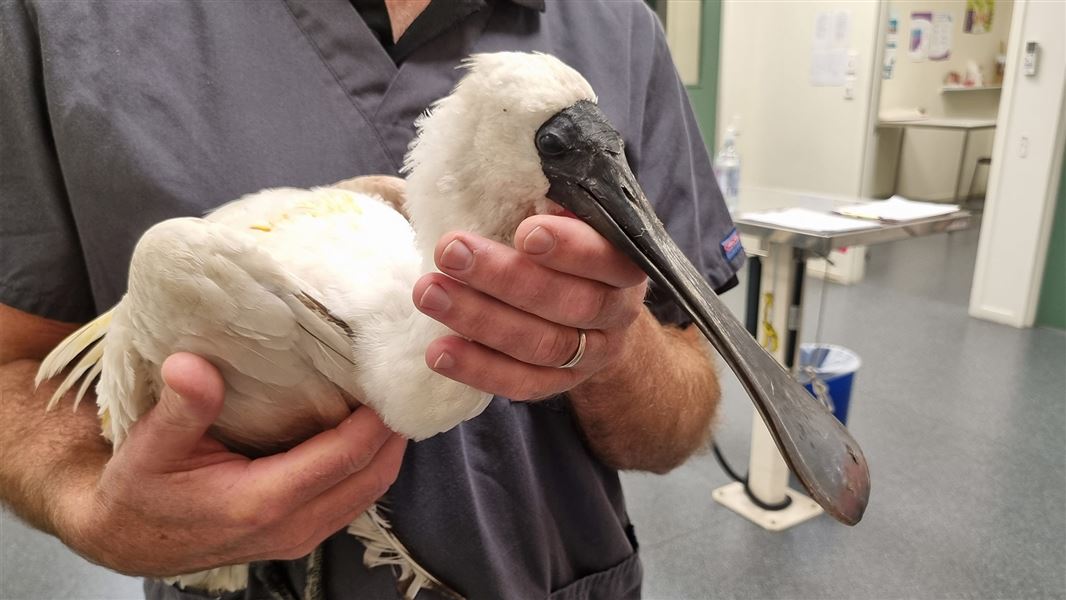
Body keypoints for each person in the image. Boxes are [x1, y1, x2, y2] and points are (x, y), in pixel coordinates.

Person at [0, 1, 745, 598]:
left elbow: (679, 414)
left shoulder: (620, 27)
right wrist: (87, 505)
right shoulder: (58, 20)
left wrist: (609, 342)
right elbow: (15, 363)